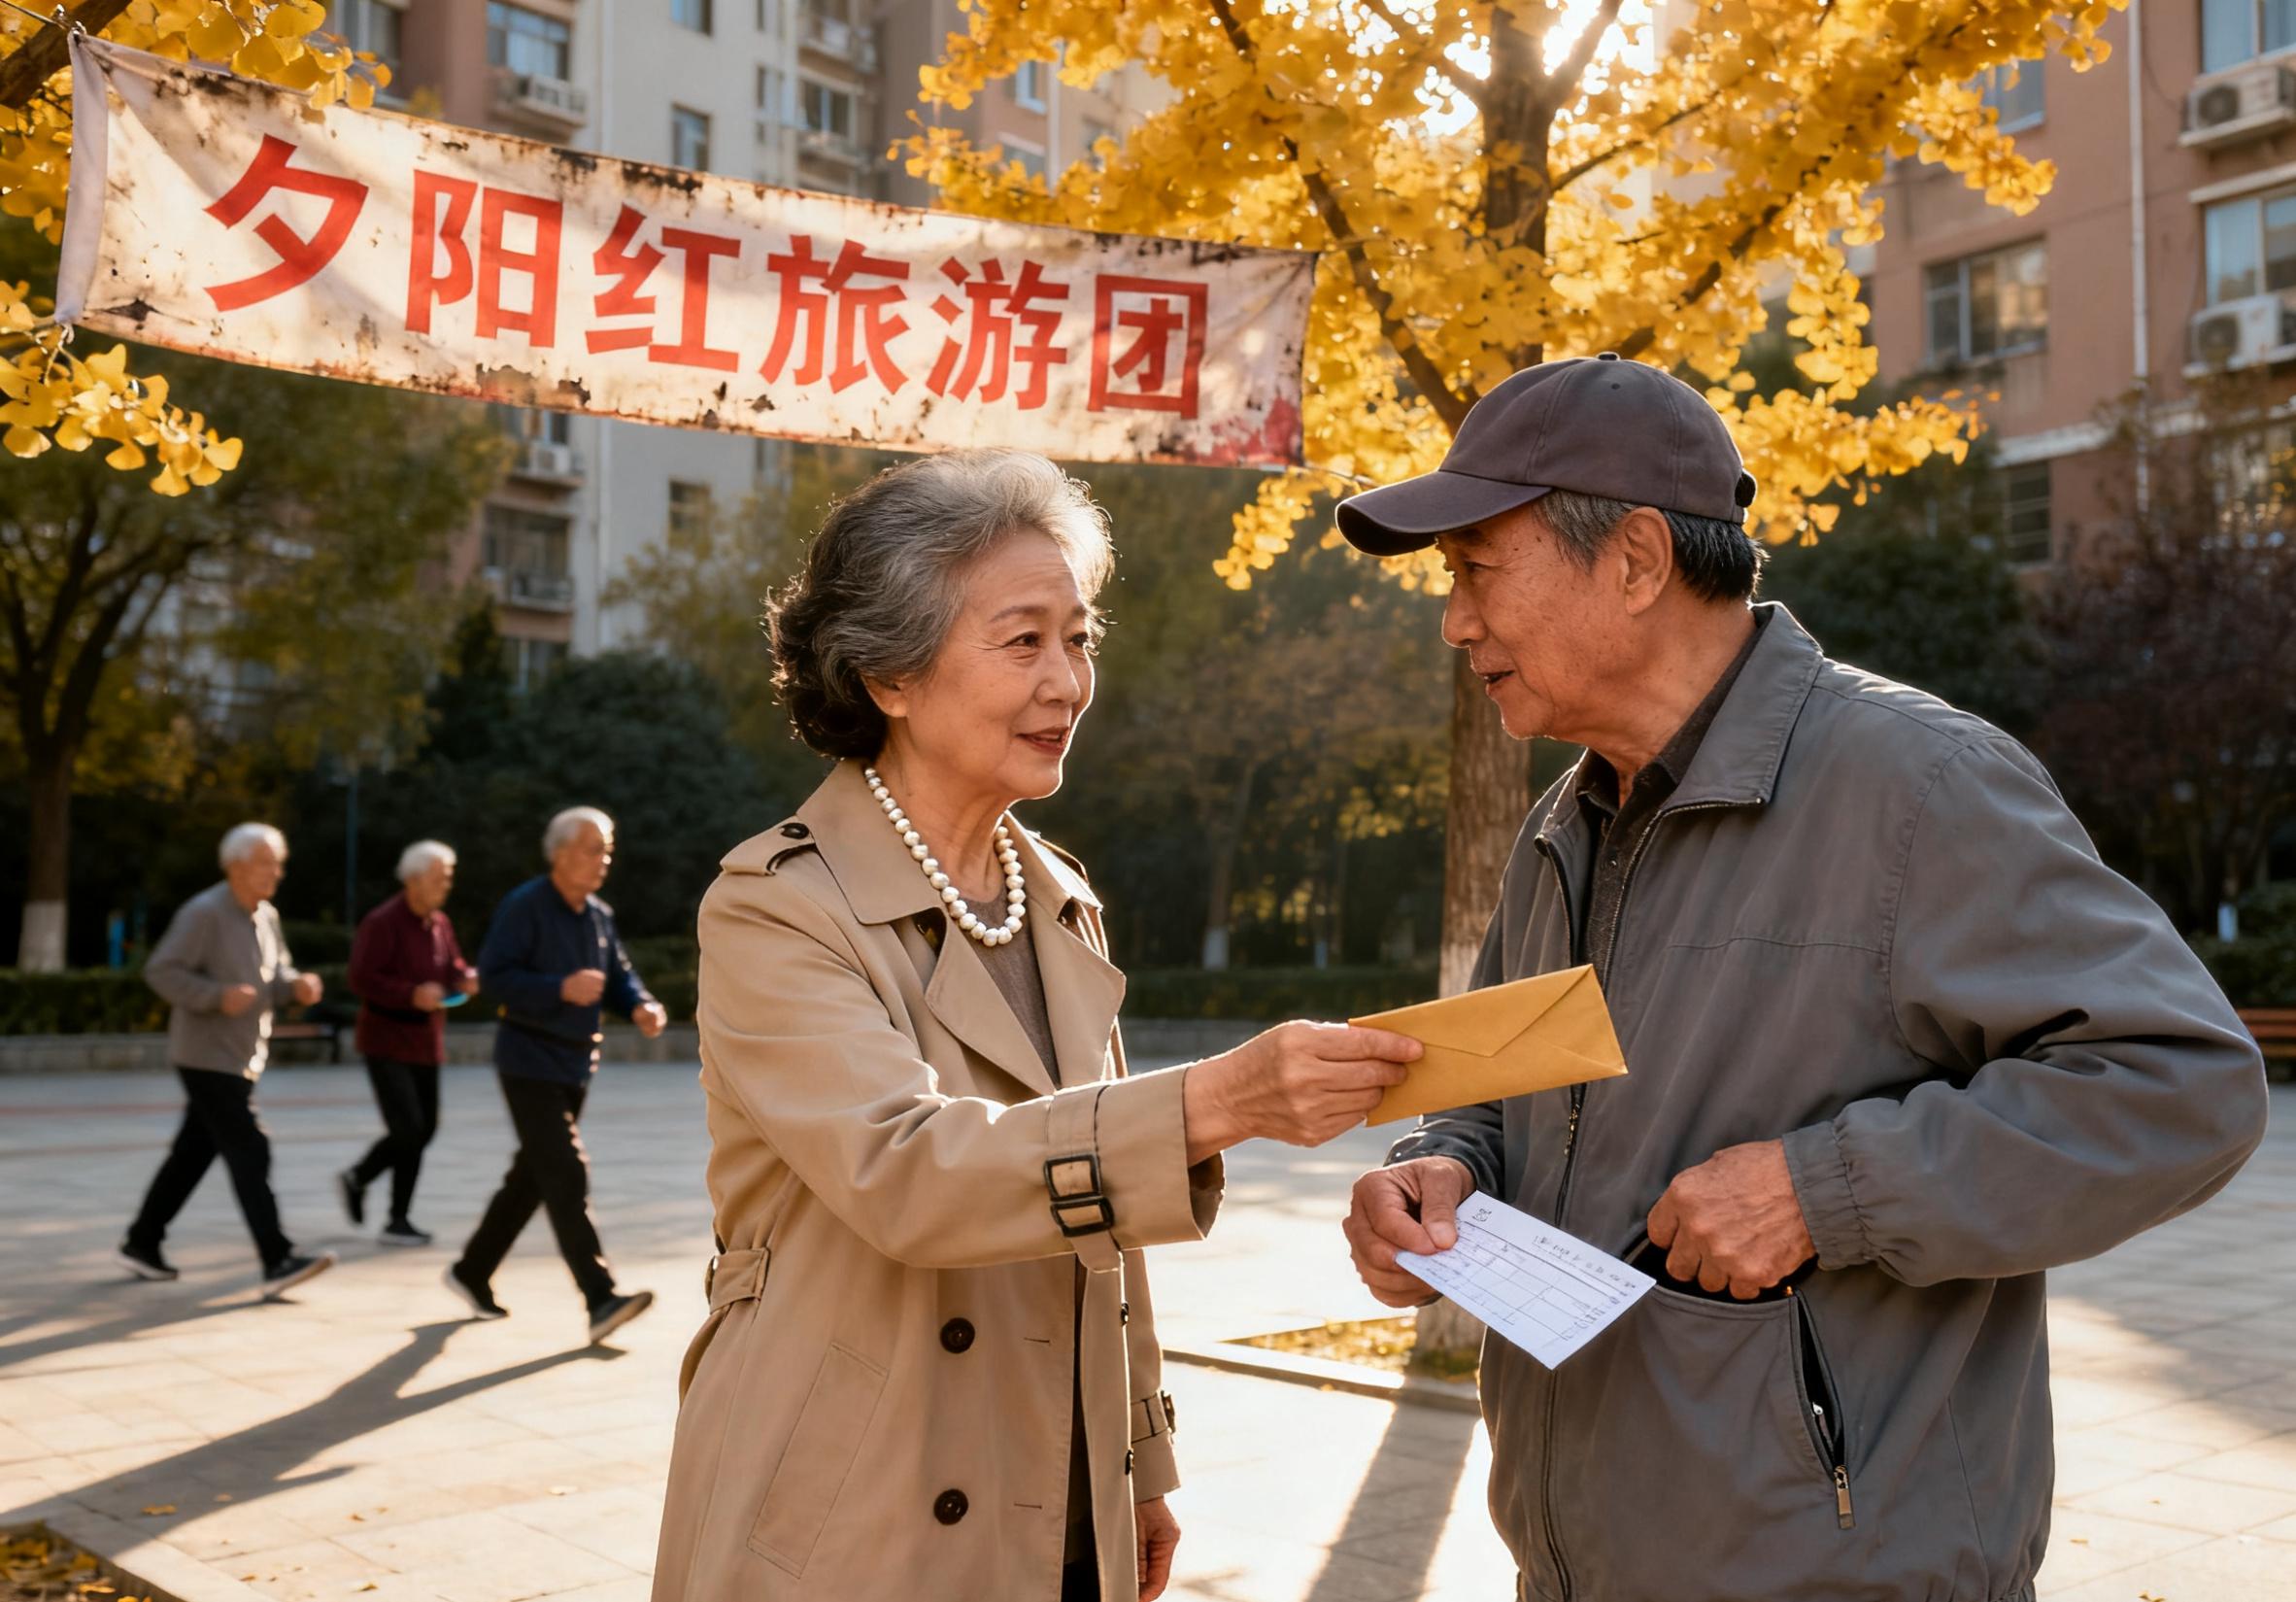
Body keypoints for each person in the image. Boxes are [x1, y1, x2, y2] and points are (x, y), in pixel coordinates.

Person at [1335, 354, 2272, 1601]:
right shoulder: (1566, 821)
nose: (1455, 619)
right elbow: (1512, 1088)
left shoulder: (1920, 785)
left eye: (1475, 569)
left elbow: (2184, 1085)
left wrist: (1823, 1189)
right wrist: (1445, 1176)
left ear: (1633, 559)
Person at [649, 450, 1422, 1602]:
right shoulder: (777, 905)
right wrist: (1215, 1100)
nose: (1067, 681)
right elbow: (907, 1170)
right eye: (1023, 641)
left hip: (1056, 1492)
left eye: (1080, 639)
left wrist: (1140, 1459)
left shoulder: (1055, 893)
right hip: (849, 1501)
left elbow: (1104, 1228)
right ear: (888, 676)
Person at [443, 806, 665, 1344]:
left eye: (607, 848)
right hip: (528, 1060)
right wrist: (558, 989)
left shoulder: (599, 915)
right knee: (565, 1172)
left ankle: (471, 1270)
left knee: (531, 1179)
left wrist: (642, 1004)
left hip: (574, 1064)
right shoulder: (525, 907)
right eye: (593, 848)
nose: (603, 859)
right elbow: (494, 976)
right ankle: (600, 1296)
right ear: (560, 853)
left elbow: (620, 977)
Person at [118, 822, 337, 1299]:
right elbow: (161, 970)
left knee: (193, 1154)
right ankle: (276, 1258)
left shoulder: (266, 916)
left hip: (243, 1055)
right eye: (265, 862)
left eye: (278, 863)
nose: (275, 872)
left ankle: (142, 1240)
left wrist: (296, 986)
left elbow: (273, 978)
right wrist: (215, 996)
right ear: (235, 866)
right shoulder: (204, 913)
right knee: (250, 1146)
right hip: (204, 1056)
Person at [339, 838, 478, 1246]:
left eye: (448, 878)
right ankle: (371, 1189)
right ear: (414, 880)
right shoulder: (382, 922)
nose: (446, 885)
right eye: (440, 877)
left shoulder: (440, 923)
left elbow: (450, 964)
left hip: (426, 1039)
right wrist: (410, 993)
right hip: (385, 1040)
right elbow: (360, 978)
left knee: (426, 1128)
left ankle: (390, 1211)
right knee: (408, 1128)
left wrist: (464, 975)